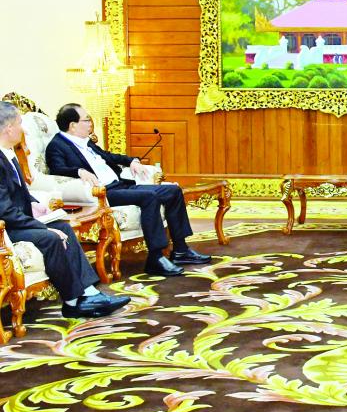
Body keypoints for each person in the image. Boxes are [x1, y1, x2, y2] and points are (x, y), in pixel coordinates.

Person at [45, 103, 211, 277]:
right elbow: (57, 169)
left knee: (173, 191)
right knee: (149, 196)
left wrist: (131, 161)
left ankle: (181, 250)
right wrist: (79, 171)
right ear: (72, 125)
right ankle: (155, 258)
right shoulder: (57, 145)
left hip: (120, 185)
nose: (90, 124)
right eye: (86, 120)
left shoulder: (85, 142)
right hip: (104, 193)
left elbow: (109, 156)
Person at [0, 101, 130, 319]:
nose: (24, 130)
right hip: (5, 229)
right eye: (20, 124)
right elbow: (4, 211)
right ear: (8, 128)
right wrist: (42, 227)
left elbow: (17, 192)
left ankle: (90, 294)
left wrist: (34, 203)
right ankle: (72, 302)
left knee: (65, 228)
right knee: (51, 238)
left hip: (16, 222)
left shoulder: (8, 153)